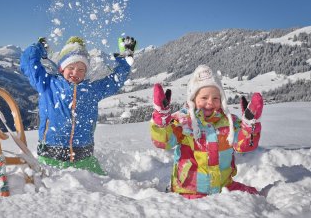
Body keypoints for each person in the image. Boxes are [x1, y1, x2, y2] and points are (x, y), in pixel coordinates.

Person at [20, 36, 136, 175]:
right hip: (51, 157)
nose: (76, 73)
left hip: (84, 158)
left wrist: (125, 59)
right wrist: (39, 48)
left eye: (81, 69)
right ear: (62, 68)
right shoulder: (48, 84)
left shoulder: (91, 90)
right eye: (71, 67)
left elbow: (115, 81)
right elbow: (28, 63)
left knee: (106, 191)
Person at [150, 65, 263, 199]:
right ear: (193, 99)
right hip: (189, 190)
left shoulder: (230, 122)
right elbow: (163, 142)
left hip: (224, 186)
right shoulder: (183, 121)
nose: (210, 102)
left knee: (256, 197)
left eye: (215, 98)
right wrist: (161, 120)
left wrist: (249, 126)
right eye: (204, 98)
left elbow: (244, 145)